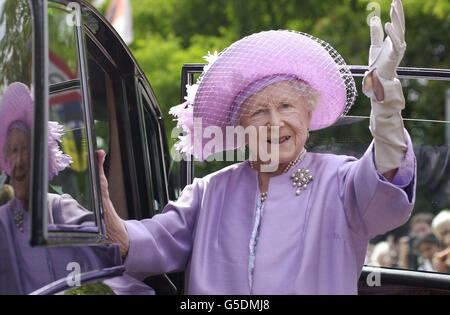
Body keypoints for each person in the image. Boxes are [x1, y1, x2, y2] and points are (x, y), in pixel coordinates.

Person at [100, 0, 416, 294]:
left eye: (286, 106)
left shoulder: (341, 180)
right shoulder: (209, 191)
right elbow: (151, 242)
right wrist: (101, 219)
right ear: (240, 127)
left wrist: (385, 107)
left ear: (308, 114)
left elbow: (385, 175)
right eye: (259, 111)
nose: (274, 121)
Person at [0, 82, 119, 294]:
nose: (17, 161)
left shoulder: (58, 208)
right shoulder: (4, 217)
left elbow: (108, 260)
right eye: (12, 150)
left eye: (24, 149)